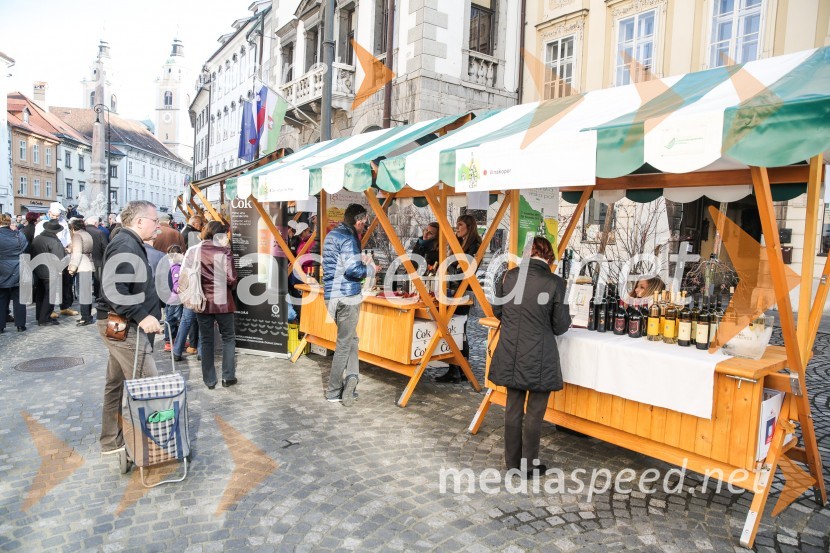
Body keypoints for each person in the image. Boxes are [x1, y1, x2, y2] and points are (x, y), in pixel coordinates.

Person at [489, 236, 571, 476]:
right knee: (535, 413)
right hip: (540, 354)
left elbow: (498, 311)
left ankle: (512, 463)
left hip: (510, 350)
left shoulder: (508, 276)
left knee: (513, 408)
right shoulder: (556, 282)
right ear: (549, 257)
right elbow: (560, 325)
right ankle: (528, 466)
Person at [96, 200, 163, 456]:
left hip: (119, 322)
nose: (158, 226)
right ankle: (149, 448)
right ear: (139, 222)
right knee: (147, 384)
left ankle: (112, 441)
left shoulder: (129, 243)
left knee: (115, 383)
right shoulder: (126, 244)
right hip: (124, 324)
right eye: (155, 221)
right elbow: (113, 288)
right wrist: (142, 315)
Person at [321, 204, 373, 406]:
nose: (365, 225)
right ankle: (334, 390)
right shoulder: (350, 238)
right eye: (365, 221)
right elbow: (353, 270)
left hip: (330, 296)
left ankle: (352, 377)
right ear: (358, 220)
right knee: (344, 343)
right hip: (347, 296)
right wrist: (370, 268)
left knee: (352, 339)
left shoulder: (332, 235)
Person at [190, 221, 238, 389]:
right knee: (228, 338)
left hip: (202, 300)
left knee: (206, 340)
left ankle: (209, 380)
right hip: (223, 302)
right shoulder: (225, 252)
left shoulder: (196, 251)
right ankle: (228, 377)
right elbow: (231, 279)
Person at [435, 214, 482, 383]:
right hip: (453, 289)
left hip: (463, 291)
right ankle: (457, 368)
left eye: (460, 224)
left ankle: (460, 368)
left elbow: (465, 269)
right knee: (456, 328)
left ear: (469, 227)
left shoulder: (475, 245)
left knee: (458, 328)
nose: (457, 227)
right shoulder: (459, 243)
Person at [35, 202, 77, 318]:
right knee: (50, 286)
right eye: (53, 216)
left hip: (63, 255)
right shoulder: (42, 224)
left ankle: (65, 306)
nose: (56, 218)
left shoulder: (63, 222)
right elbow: (39, 241)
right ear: (49, 213)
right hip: (49, 256)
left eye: (57, 216)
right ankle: (50, 309)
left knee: (66, 282)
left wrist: (69, 247)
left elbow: (68, 239)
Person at [30, 219, 65, 326]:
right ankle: (44, 319)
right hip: (50, 271)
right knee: (50, 295)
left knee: (40, 294)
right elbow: (59, 258)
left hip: (37, 269)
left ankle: (40, 316)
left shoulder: (37, 238)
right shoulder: (55, 241)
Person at [0, 213, 28, 332]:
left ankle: (0, 326)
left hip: (2, 268)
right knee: (19, 298)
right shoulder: (18, 235)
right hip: (18, 267)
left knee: (1, 298)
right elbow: (25, 247)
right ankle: (20, 325)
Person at [67, 219, 95, 326]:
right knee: (87, 292)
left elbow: (77, 253)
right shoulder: (87, 234)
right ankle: (88, 315)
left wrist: (72, 268)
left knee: (83, 293)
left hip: (82, 265)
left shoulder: (77, 236)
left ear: (73, 227)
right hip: (89, 263)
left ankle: (85, 317)